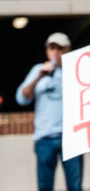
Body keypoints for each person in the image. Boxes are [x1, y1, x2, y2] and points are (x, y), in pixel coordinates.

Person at [16, 32, 83, 191]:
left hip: (71, 138)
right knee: (45, 187)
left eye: (60, 48)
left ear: (68, 50)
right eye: (52, 48)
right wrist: (39, 77)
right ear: (47, 50)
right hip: (44, 138)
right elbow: (21, 98)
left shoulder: (76, 70)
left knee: (75, 186)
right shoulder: (38, 70)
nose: (56, 53)